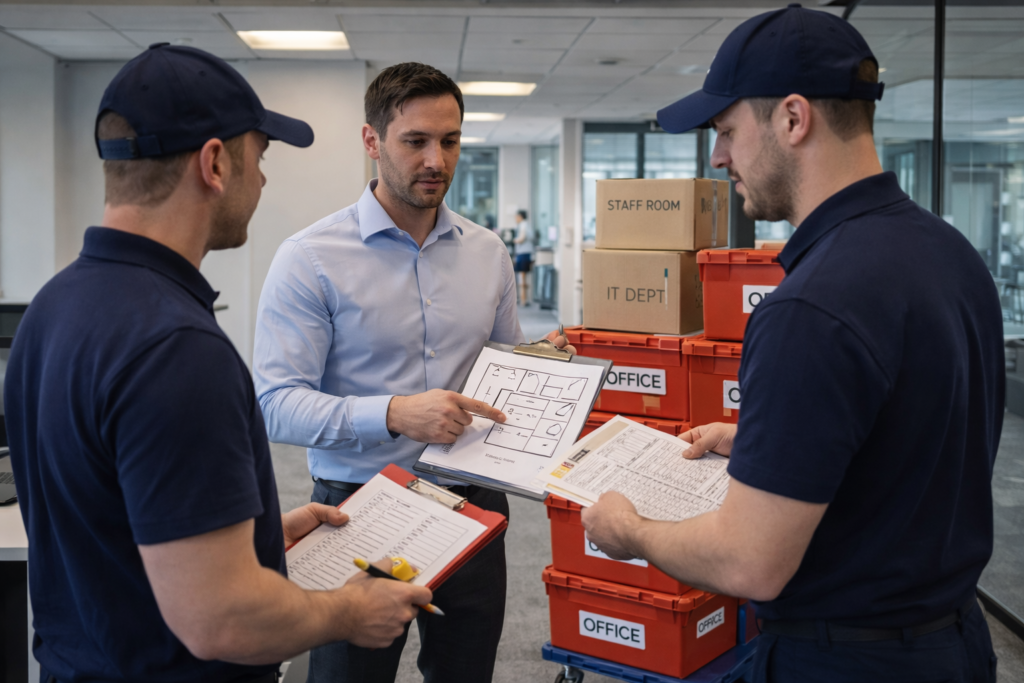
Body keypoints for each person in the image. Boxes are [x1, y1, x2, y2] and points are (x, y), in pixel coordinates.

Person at [580, 6, 1003, 682]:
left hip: (844, 659)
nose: (718, 157)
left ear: (793, 119)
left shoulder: (810, 305)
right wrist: (767, 436)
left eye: (725, 130)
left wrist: (628, 530)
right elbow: (908, 432)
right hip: (952, 642)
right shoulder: (948, 252)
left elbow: (749, 562)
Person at [3, 44, 431, 683]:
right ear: (214, 163)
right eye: (259, 156)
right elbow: (222, 621)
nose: (262, 180)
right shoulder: (177, 351)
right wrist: (347, 611)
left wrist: (253, 536)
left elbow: (108, 518)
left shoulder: (53, 307)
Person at [253, 62, 571, 683]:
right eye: (416, 141)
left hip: (475, 506)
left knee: (465, 672)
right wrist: (394, 412)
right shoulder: (310, 259)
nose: (436, 160)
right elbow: (275, 404)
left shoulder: (488, 253)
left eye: (449, 141)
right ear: (372, 142)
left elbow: (497, 372)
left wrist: (541, 368)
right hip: (360, 510)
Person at [513, 209, 534, 305]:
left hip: (523, 253)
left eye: (516, 217)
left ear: (520, 216)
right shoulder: (526, 225)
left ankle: (523, 300)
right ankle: (524, 299)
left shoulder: (523, 225)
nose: (515, 219)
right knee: (523, 276)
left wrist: (513, 240)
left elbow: (521, 239)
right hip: (525, 253)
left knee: (522, 277)